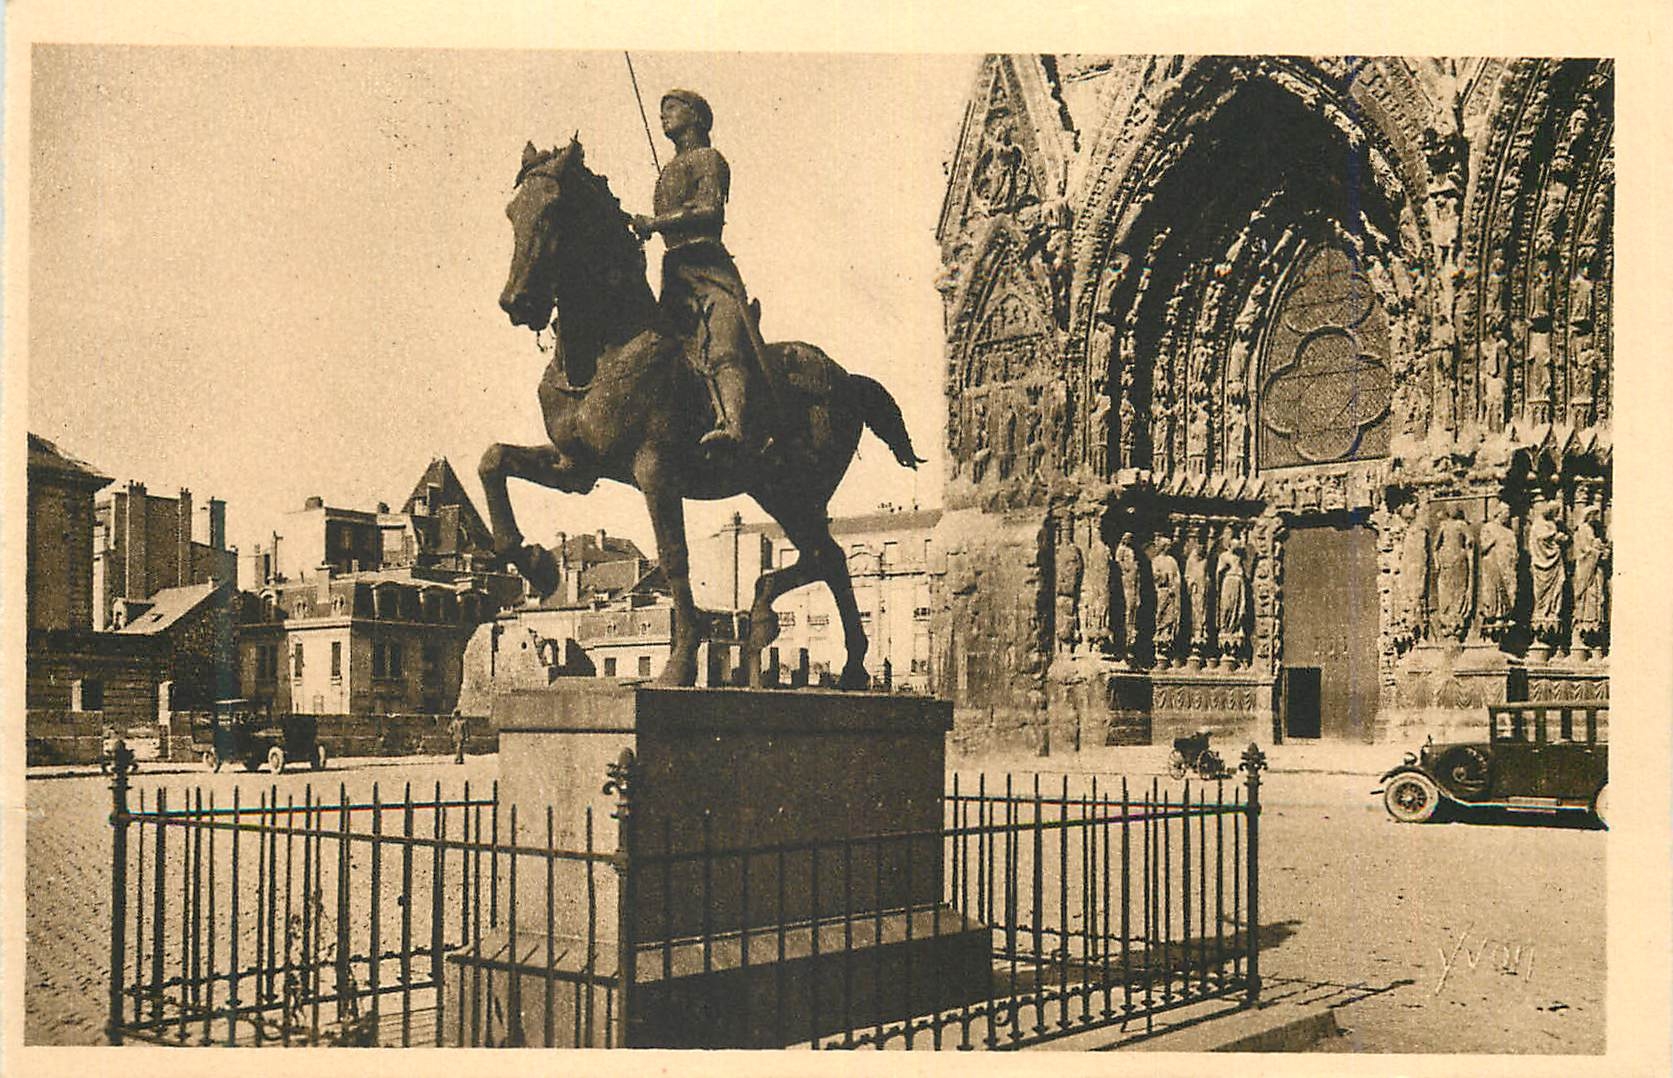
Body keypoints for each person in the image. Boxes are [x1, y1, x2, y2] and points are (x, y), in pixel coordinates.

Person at [631, 89, 769, 454]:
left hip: (709, 271)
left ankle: (735, 428)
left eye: (672, 108)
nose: (664, 115)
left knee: (721, 344)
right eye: (662, 111)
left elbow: (710, 210)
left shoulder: (708, 159)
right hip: (675, 273)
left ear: (695, 115)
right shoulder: (667, 172)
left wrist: (655, 223)